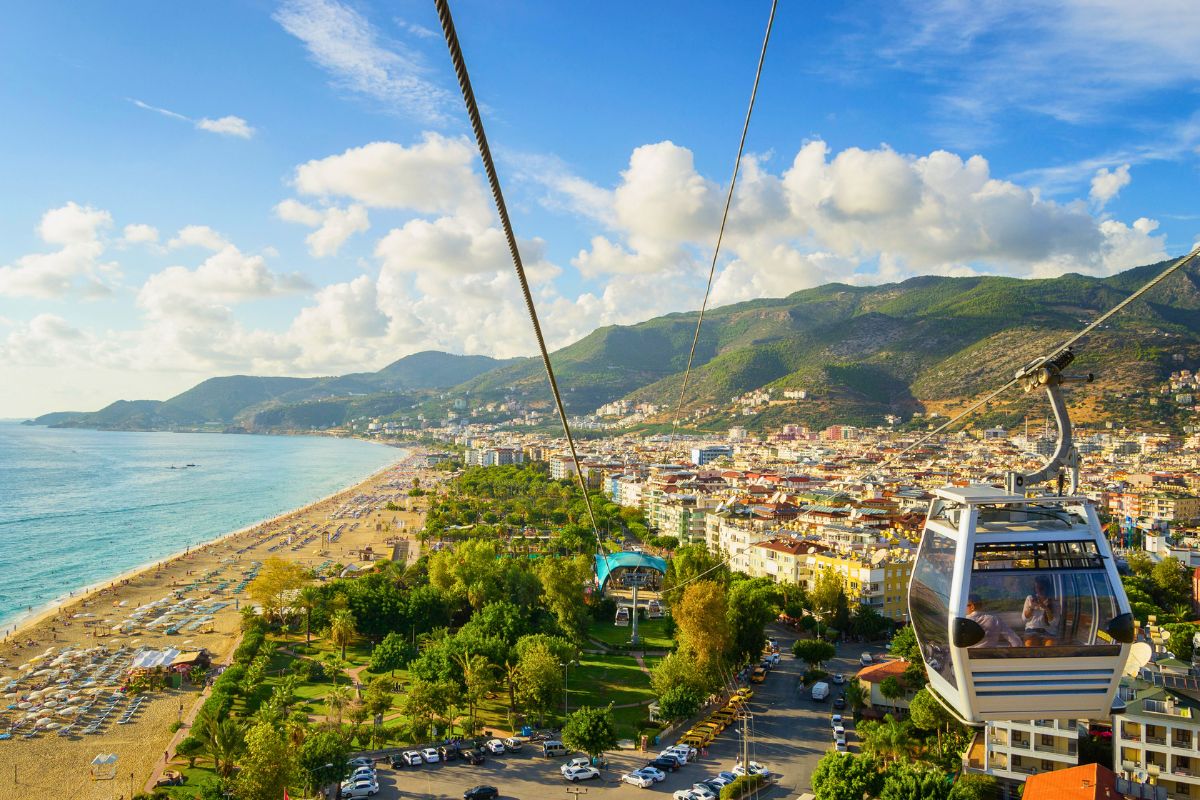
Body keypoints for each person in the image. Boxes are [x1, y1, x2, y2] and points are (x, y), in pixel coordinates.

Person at [1022, 575, 1059, 646]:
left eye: (1041, 588)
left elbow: (1054, 623)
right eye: (1036, 588)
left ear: (1047, 589)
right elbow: (1024, 619)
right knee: (1030, 646)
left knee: (1050, 648)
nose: (1039, 591)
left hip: (1049, 631)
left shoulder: (1054, 602)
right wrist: (1032, 607)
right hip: (1032, 630)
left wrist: (1046, 608)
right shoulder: (1030, 599)